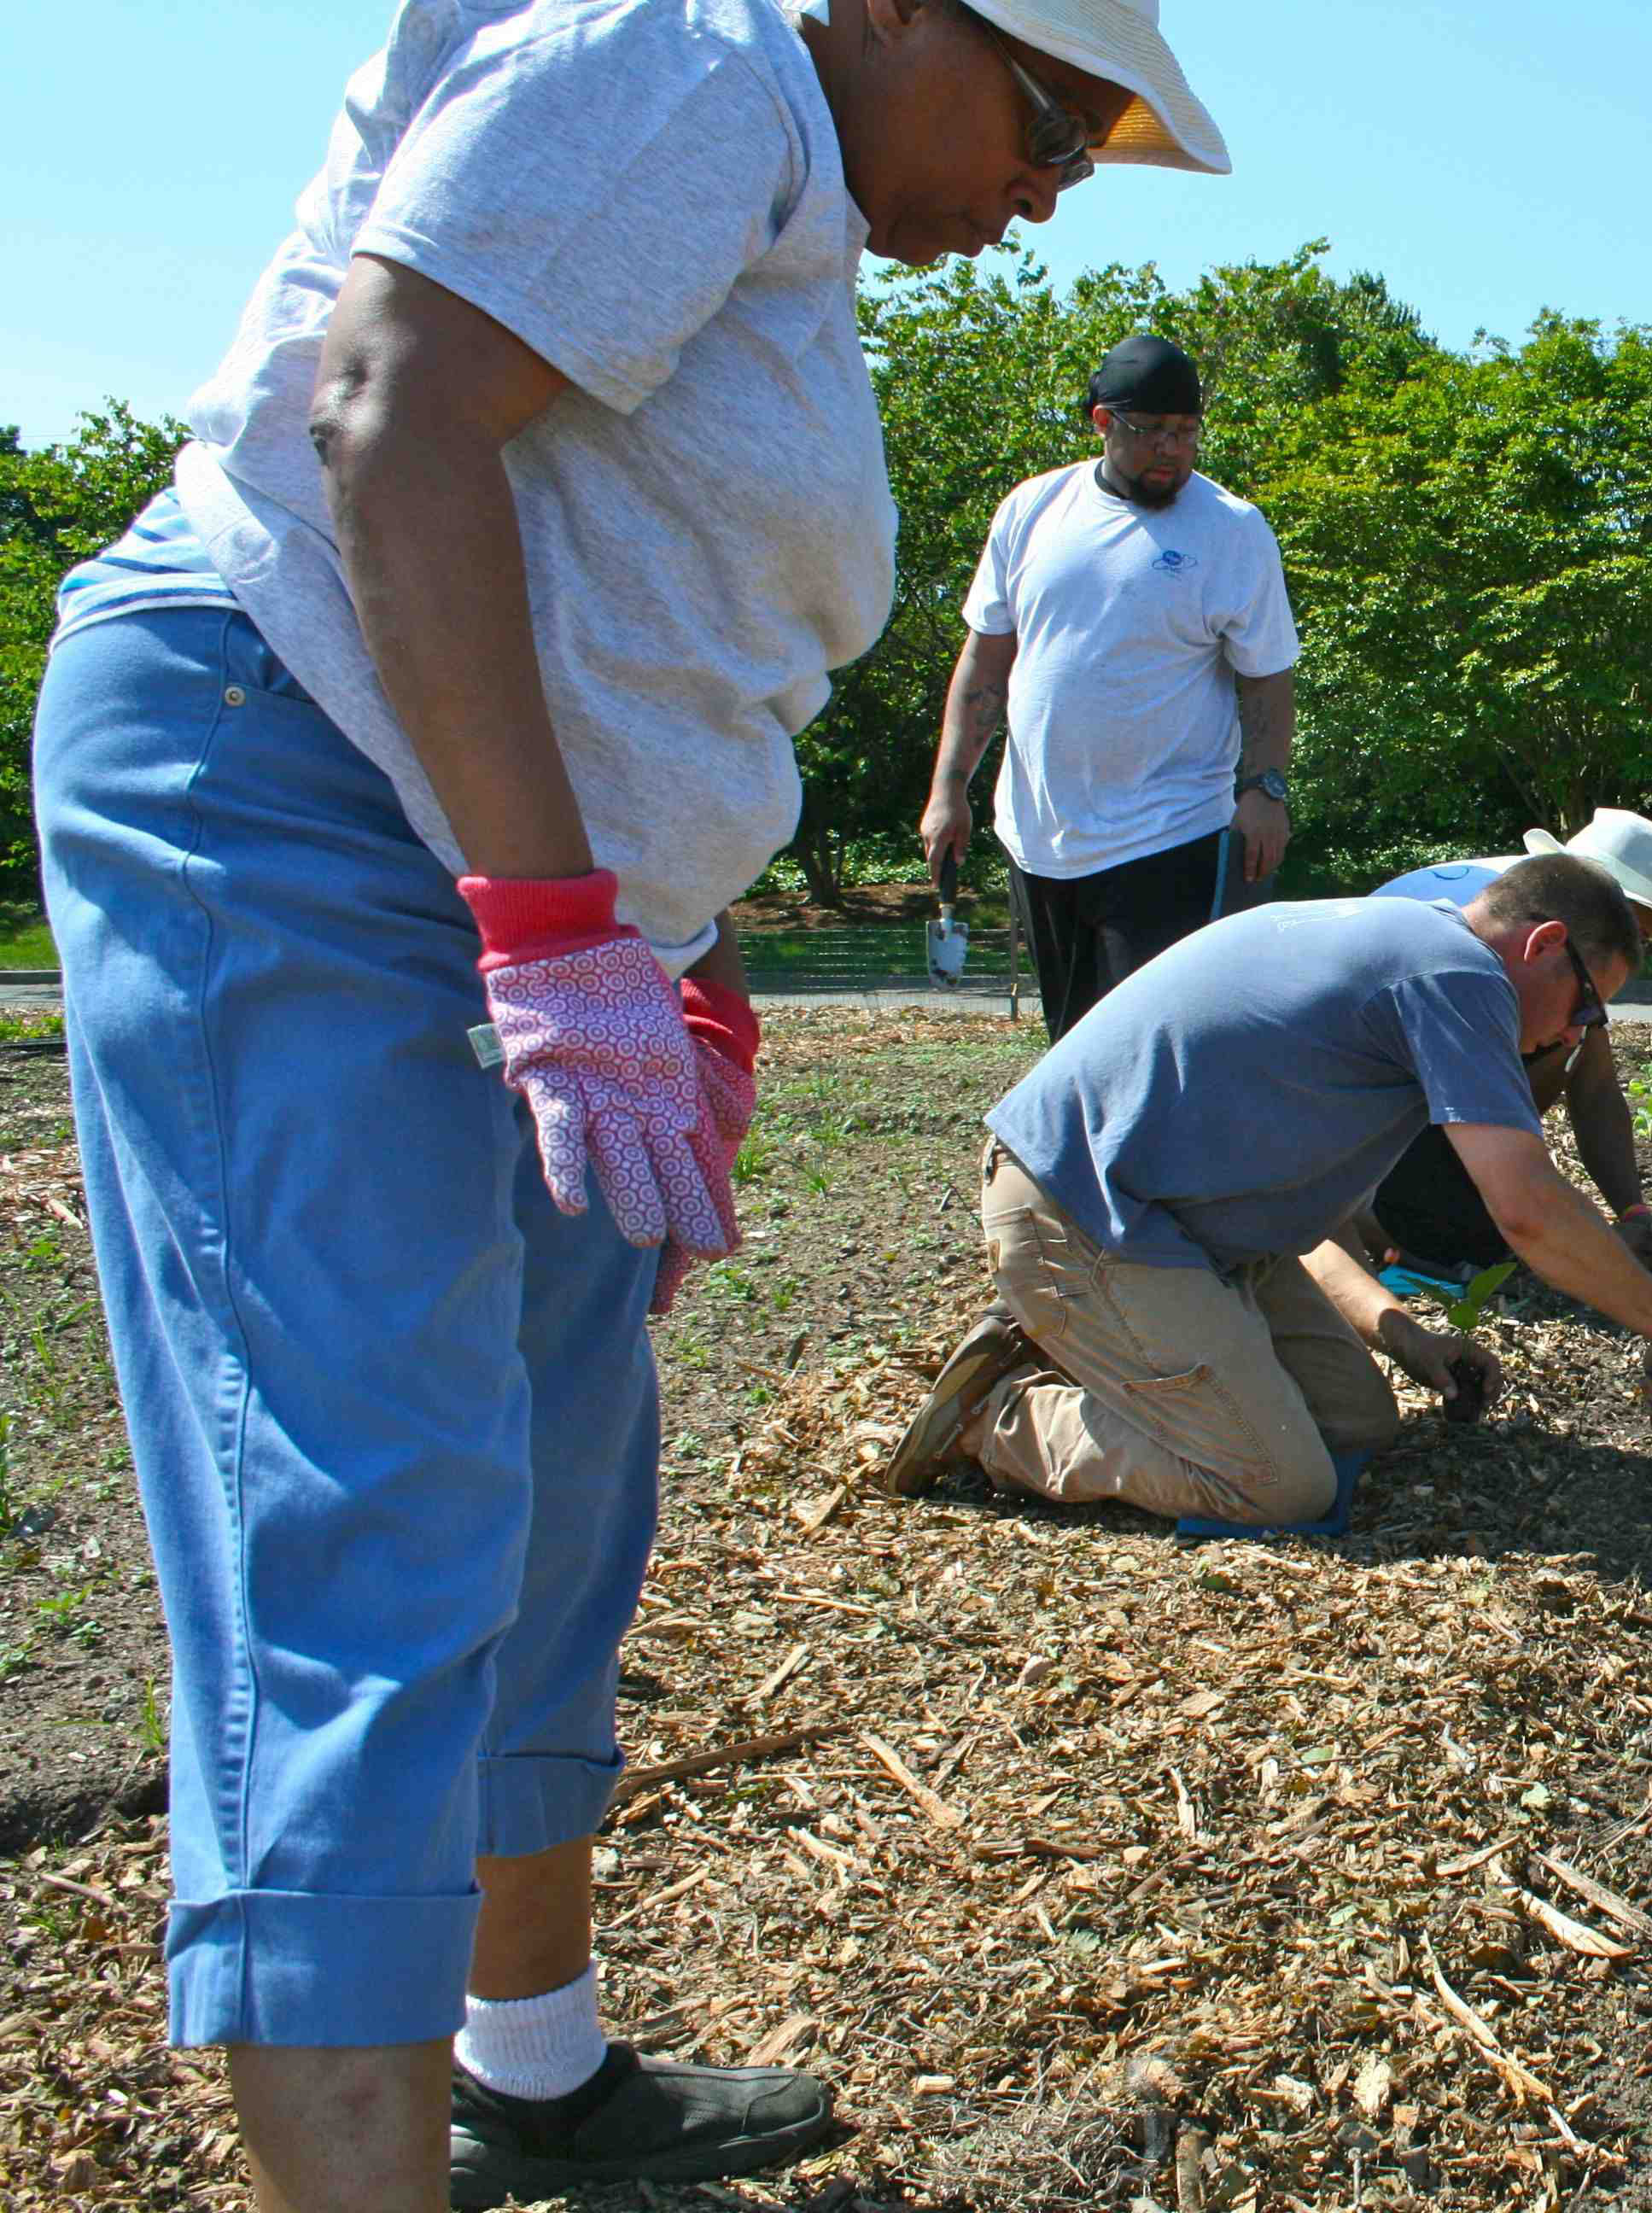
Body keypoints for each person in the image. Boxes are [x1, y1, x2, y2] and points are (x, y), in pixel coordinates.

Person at [30, 1, 1228, 2204]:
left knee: (563, 1477)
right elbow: (393, 412)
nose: (1051, 188)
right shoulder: (697, 57)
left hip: (525, 880)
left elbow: (618, 600)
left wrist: (684, 957)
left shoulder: (785, 187)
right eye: (1055, 114)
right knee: (373, 1520)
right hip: (298, 774)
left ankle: (537, 2068)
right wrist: (552, 928)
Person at [880, 855, 1652, 1523]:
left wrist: (1408, 1341)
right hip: (1086, 1214)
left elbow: (1306, 1230)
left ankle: (1096, 1343)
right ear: (1542, 944)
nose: (1577, 1033)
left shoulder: (1406, 946)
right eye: (1587, 1006)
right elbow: (1528, 1209)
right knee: (1278, 1487)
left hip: (1190, 1230)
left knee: (1358, 1423)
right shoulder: (1457, 976)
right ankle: (997, 1420)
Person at [920, 330, 1299, 1042]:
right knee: (1071, 1044)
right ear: (1103, 422)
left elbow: (1268, 678)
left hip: (1170, 832)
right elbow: (985, 665)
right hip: (1040, 836)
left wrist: (1264, 790)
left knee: (1153, 1047)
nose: (1171, 450)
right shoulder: (1031, 510)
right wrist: (950, 788)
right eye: (1151, 430)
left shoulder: (1233, 530)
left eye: (1186, 431)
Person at [1359, 809, 1652, 1288]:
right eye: (1628, 933)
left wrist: (1633, 1212)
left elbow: (1595, 1087)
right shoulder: (1481, 935)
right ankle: (1407, 1230)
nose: (1628, 949)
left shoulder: (1551, 916)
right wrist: (1591, 1248)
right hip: (1363, 1109)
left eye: (1641, 940)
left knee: (1565, 1037)